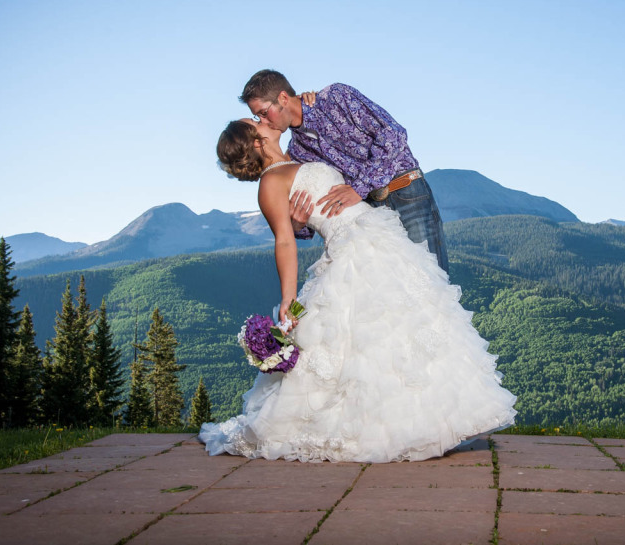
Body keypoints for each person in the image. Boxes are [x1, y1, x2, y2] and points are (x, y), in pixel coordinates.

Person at [199, 119, 516, 462]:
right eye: (254, 121)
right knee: (369, 338)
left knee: (409, 326)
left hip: (379, 235)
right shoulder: (270, 182)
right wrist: (289, 298)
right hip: (350, 250)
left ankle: (439, 418)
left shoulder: (295, 156)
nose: (262, 119)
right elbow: (284, 241)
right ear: (256, 142)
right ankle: (382, 427)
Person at [240, 69, 449, 273]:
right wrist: (297, 226)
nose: (264, 122)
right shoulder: (297, 152)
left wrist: (358, 188)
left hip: (407, 194)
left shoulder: (335, 97)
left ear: (283, 98)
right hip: (370, 217)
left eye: (264, 113)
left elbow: (393, 135)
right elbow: (313, 214)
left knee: (432, 280)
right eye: (258, 117)